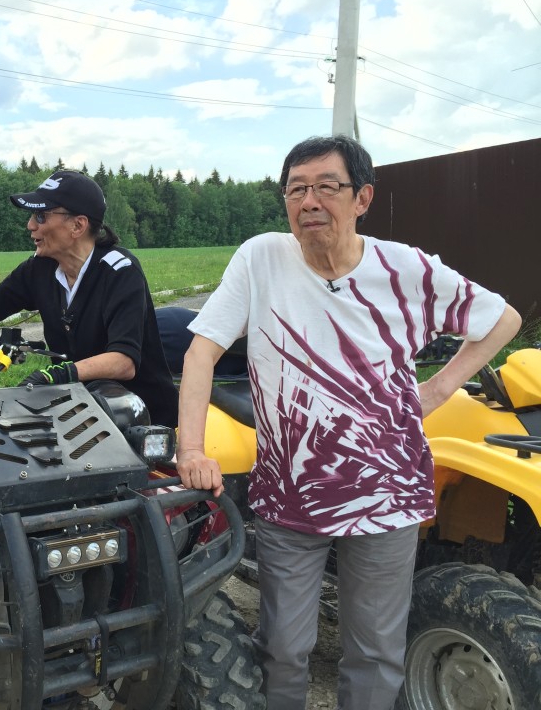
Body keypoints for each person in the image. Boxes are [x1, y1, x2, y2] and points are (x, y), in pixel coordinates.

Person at [175, 135, 521, 710]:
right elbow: (200, 353)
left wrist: (435, 389)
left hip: (388, 492)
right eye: (296, 188)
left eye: (326, 187)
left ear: (361, 198)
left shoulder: (404, 268)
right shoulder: (261, 258)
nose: (309, 200)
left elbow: (501, 319)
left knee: (376, 650)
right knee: (284, 646)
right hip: (290, 493)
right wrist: (191, 447)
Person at [0, 170, 178, 427]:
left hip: (142, 420)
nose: (30, 226)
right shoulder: (41, 268)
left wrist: (58, 374)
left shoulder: (119, 270)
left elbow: (123, 361)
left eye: (40, 216)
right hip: (84, 411)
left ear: (78, 226)